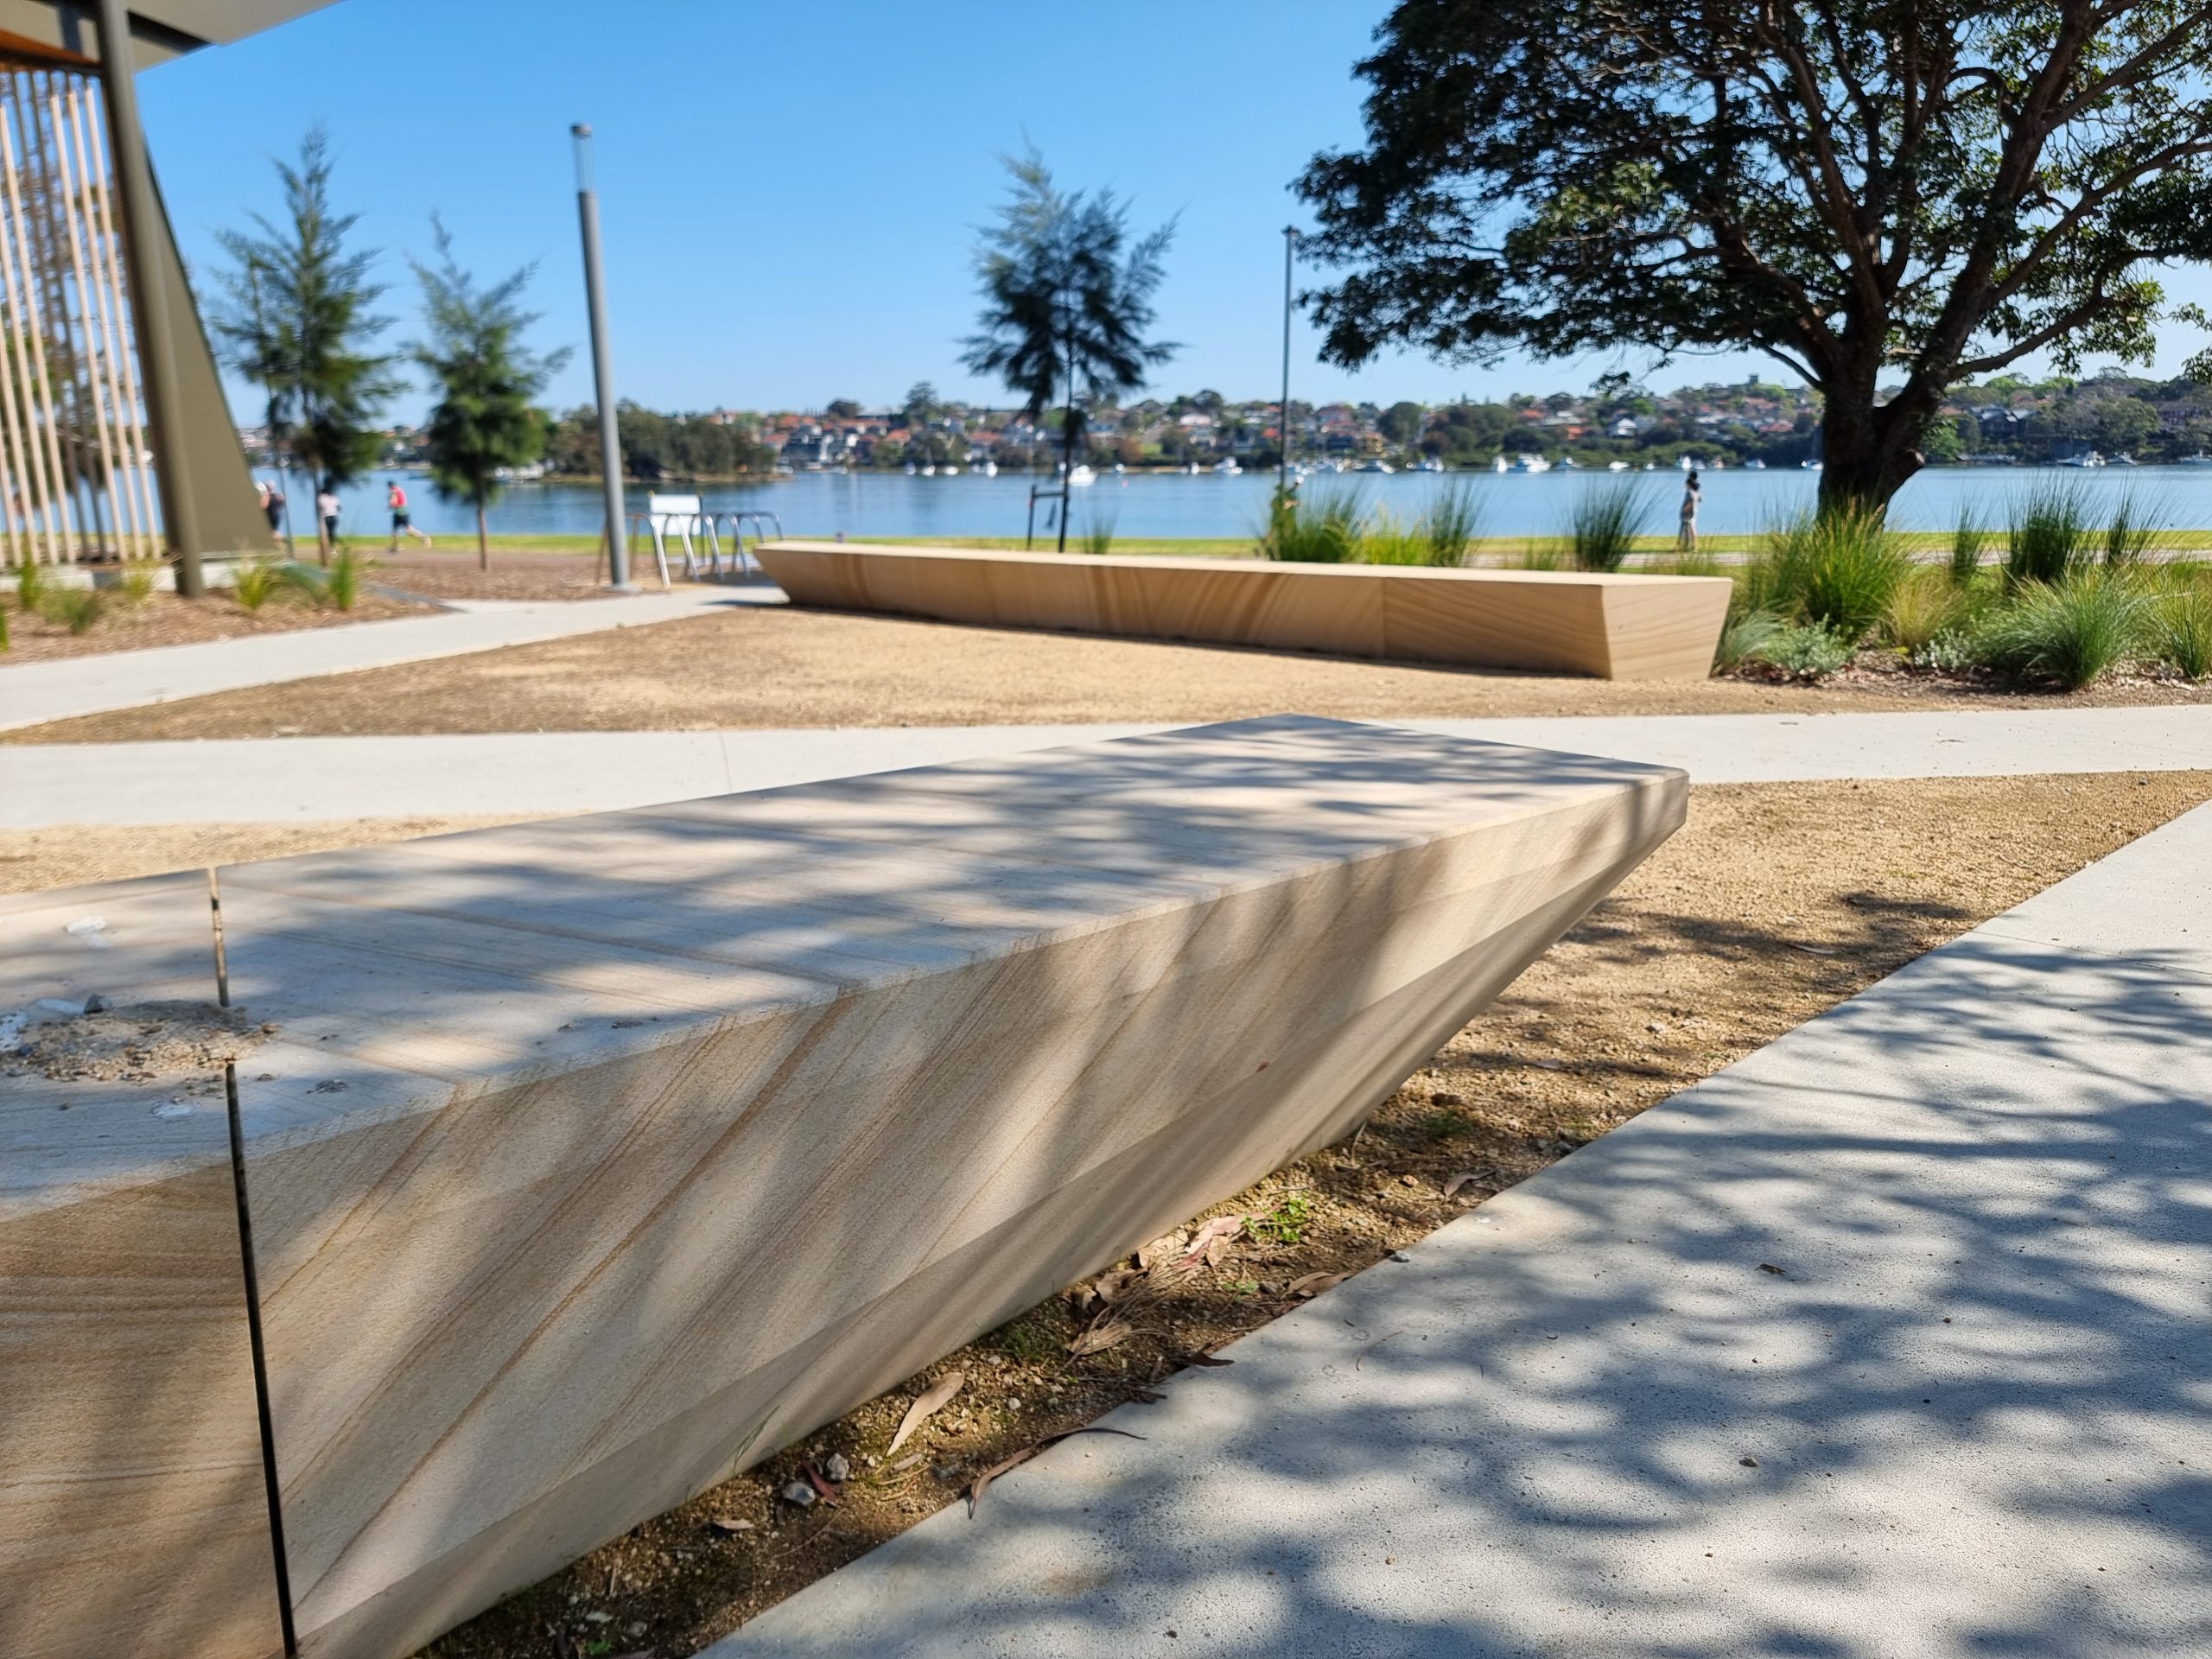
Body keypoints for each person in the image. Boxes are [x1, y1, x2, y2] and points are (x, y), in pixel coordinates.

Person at [386, 480, 432, 550]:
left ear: (389, 486)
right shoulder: (399, 490)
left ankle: (425, 538)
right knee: (401, 530)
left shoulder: (393, 492)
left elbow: (394, 502)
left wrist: (390, 506)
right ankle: (397, 545)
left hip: (400, 513)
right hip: (403, 512)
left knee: (403, 531)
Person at [1677, 467, 1702, 552]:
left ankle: (1691, 545)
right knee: (1691, 527)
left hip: (1690, 511)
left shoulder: (1691, 490)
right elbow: (1700, 499)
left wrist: (1685, 509)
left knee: (1689, 527)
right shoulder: (1697, 487)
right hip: (1694, 510)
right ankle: (1691, 545)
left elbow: (1691, 500)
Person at [316, 486, 342, 558]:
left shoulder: (321, 498)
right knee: (332, 532)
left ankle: (332, 549)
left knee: (329, 533)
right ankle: (333, 548)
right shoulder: (334, 497)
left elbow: (319, 507)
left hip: (326, 516)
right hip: (334, 516)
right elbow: (339, 507)